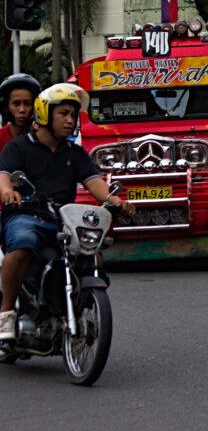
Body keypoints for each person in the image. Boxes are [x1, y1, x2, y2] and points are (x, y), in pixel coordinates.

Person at [0, 83, 136, 341]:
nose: (70, 120)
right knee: (23, 242)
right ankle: (6, 312)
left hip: (62, 219)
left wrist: (114, 199)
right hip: (26, 215)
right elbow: (3, 175)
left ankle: (73, 303)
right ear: (44, 114)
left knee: (89, 251)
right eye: (63, 113)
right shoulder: (19, 147)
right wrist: (7, 190)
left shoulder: (74, 152)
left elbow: (93, 181)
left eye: (73, 115)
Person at [0, 74, 41, 154]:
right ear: (7, 106)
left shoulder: (43, 138)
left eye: (27, 103)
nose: (22, 110)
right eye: (16, 104)